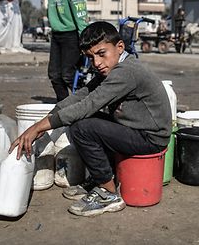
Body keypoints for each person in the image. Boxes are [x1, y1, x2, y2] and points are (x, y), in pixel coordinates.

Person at [10, 21, 172, 217]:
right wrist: (45, 121)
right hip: (135, 129)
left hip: (150, 138)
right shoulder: (113, 67)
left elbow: (88, 105)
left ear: (120, 47)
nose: (96, 63)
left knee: (82, 126)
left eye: (101, 53)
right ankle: (101, 178)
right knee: (86, 120)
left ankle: (109, 194)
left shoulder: (126, 71)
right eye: (90, 57)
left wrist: (37, 128)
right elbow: (82, 94)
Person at [36, 0, 88, 101]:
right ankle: (65, 104)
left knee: (68, 75)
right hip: (57, 35)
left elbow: (79, 8)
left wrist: (84, 37)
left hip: (71, 35)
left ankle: (85, 103)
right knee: (54, 75)